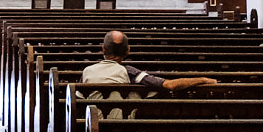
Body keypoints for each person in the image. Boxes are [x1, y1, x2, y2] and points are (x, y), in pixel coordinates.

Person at [79, 30, 214, 91]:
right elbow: (169, 85)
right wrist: (202, 79)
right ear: (128, 51)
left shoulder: (87, 71)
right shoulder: (128, 72)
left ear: (103, 50)